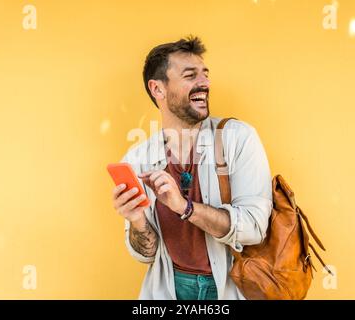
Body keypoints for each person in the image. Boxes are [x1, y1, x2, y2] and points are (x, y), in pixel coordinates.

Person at [111, 36, 273, 300]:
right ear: (158, 89)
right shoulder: (137, 159)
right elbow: (146, 253)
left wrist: (184, 207)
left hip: (232, 288)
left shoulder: (238, 138)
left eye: (205, 74)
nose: (204, 83)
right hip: (170, 290)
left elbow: (254, 227)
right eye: (190, 75)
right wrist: (137, 221)